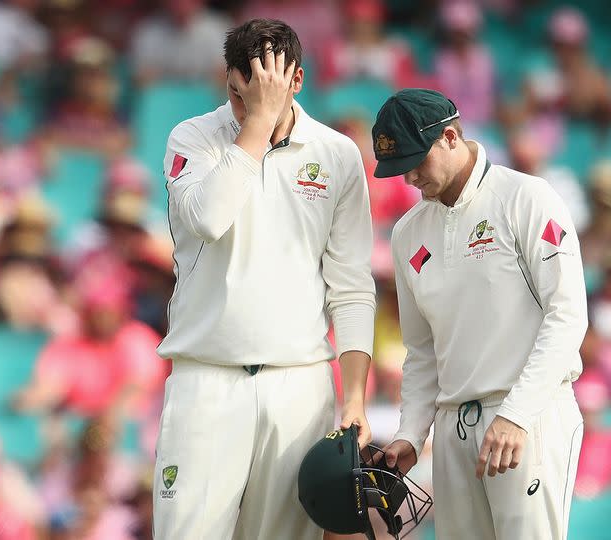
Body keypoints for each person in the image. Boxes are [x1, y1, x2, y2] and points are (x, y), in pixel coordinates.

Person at [153, 19, 376, 539]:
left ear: (296, 81)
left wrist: (355, 397)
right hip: (205, 377)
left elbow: (351, 286)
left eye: (262, 93)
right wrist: (257, 121)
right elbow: (210, 218)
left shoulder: (337, 153)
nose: (244, 105)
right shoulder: (191, 138)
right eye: (236, 93)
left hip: (298, 384)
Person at [372, 88, 587, 539]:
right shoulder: (408, 232)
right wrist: (412, 433)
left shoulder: (526, 197)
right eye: (399, 167)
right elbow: (422, 350)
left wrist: (517, 414)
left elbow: (568, 315)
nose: (409, 177)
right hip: (452, 428)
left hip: (528, 418)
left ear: (449, 137)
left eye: (416, 160)